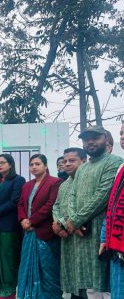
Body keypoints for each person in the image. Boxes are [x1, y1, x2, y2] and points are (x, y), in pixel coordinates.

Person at [65, 126, 122, 298]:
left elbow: (102, 196)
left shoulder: (114, 162)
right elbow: (72, 195)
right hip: (80, 233)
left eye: (95, 137)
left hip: (100, 231)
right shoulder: (82, 168)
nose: (90, 141)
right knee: (88, 284)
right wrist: (73, 221)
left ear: (105, 138)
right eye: (86, 138)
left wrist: (75, 220)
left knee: (103, 283)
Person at [17, 154, 63, 298]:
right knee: (27, 265)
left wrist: (32, 221)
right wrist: (23, 219)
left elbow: (50, 204)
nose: (34, 167)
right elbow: (20, 204)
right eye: (31, 164)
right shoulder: (27, 185)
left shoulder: (55, 182)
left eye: (37, 164)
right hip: (28, 232)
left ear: (45, 166)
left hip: (45, 232)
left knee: (48, 268)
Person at [0, 153, 26, 299]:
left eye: (2, 162)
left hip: (8, 226)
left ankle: (9, 293)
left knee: (7, 260)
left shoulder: (18, 180)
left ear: (10, 164)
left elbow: (15, 201)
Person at [52, 147, 87, 299]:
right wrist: (59, 224)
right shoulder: (64, 184)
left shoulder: (87, 181)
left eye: (72, 161)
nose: (67, 164)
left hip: (83, 234)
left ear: (84, 161)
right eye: (65, 161)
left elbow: (87, 206)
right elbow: (56, 206)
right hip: (66, 235)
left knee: (84, 275)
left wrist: (70, 222)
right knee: (70, 273)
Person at [100, 123, 124, 298]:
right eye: (122, 133)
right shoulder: (121, 169)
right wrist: (104, 237)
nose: (123, 137)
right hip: (117, 245)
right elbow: (113, 205)